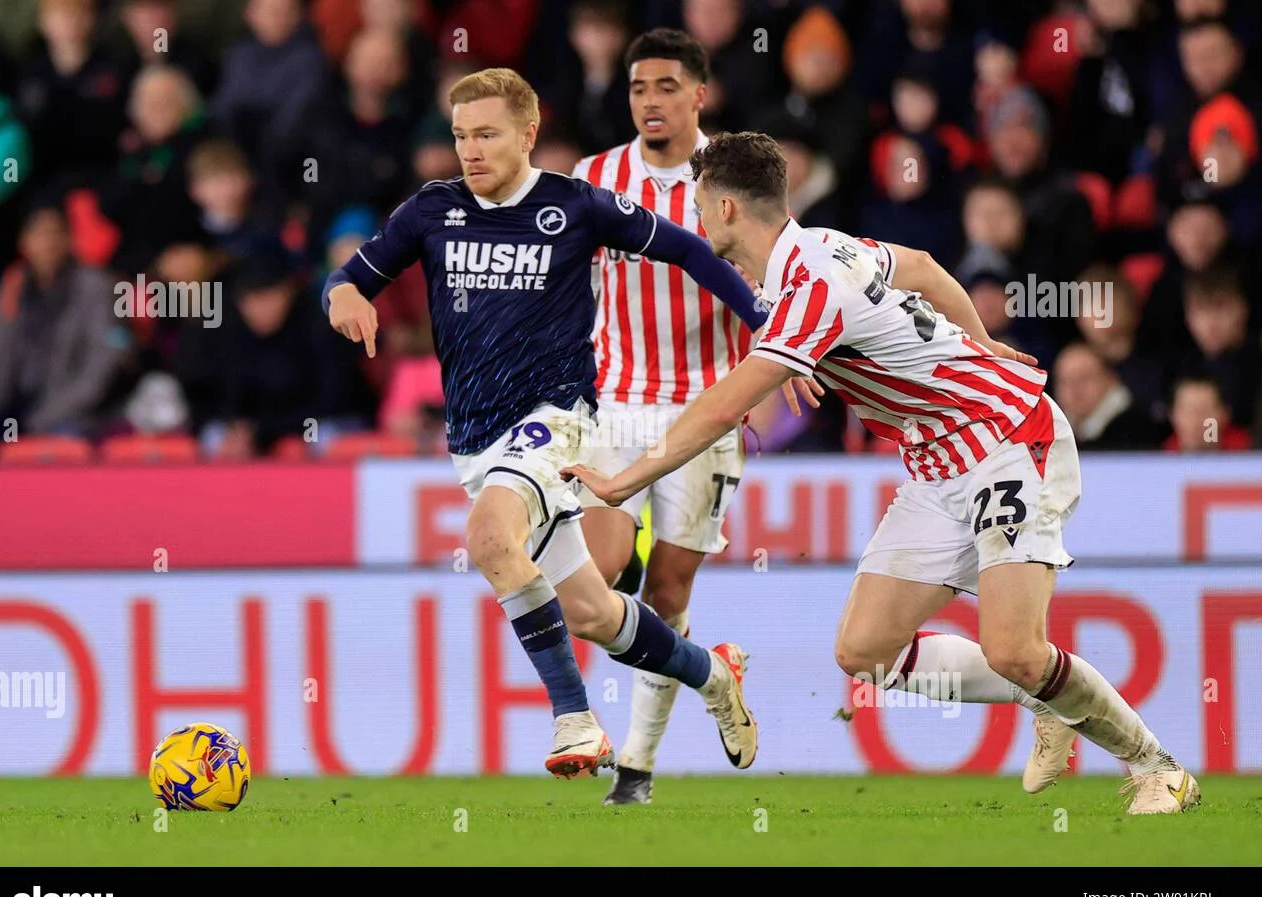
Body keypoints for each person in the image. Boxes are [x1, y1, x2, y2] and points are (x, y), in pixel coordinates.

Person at [566, 131, 1201, 815]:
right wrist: (978, 343)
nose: (692, 211)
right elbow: (924, 266)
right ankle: (1041, 694)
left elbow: (724, 406)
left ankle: (1156, 766)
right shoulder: (823, 251)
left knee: (1016, 646)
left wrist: (626, 481)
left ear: (724, 208)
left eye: (698, 199)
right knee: (867, 651)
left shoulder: (810, 284)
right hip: (938, 465)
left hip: (1008, 439)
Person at [323, 68, 762, 779]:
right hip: (475, 440)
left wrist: (769, 330)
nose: (470, 150)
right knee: (592, 613)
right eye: (462, 135)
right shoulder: (433, 211)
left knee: (490, 537)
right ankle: (714, 675)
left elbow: (686, 248)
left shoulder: (576, 206)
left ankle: (575, 720)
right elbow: (347, 277)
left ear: (528, 134)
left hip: (555, 420)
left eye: (487, 134)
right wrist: (343, 296)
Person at [570, 28, 821, 805]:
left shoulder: (732, 180)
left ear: (700, 95)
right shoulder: (593, 178)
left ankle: (636, 773)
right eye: (639, 87)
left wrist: (795, 356)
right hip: (616, 401)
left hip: (707, 408)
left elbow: (782, 279)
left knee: (670, 595)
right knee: (597, 580)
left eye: (668, 86)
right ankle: (694, 655)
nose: (651, 100)